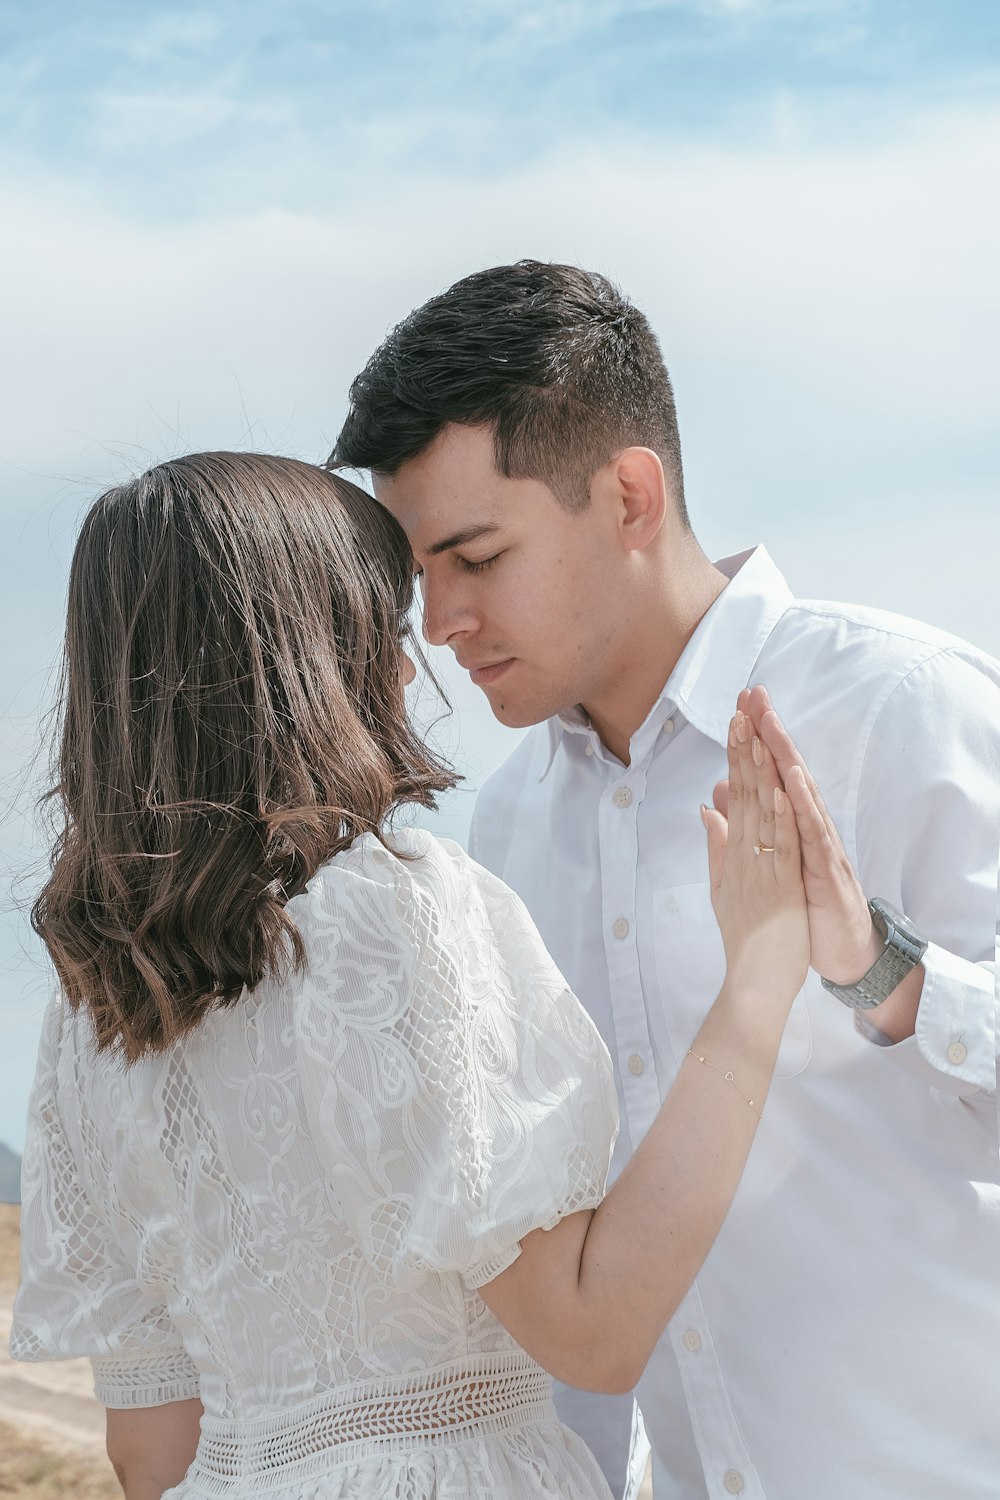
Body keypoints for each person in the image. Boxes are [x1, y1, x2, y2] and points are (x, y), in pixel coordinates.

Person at [12, 451, 832, 1500]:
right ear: (310, 657)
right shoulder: (383, 909)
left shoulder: (96, 1010)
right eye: (386, 630)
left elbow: (149, 1451)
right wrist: (759, 978)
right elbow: (592, 1334)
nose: (411, 669)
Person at [332, 260, 1000, 1500]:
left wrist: (883, 973)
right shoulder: (511, 830)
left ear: (629, 496)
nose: (439, 621)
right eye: (420, 574)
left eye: (475, 556)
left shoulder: (903, 709)